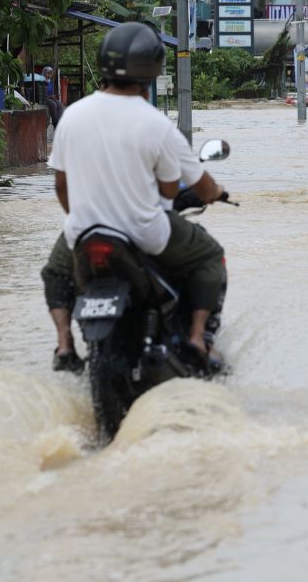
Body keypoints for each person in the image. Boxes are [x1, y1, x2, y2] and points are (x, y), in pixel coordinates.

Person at [40, 22, 227, 372]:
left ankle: (65, 345)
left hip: (84, 232)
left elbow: (62, 187)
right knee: (210, 257)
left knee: (55, 272)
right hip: (146, 234)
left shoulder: (72, 116)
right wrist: (215, 192)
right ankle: (198, 338)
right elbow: (173, 191)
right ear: (152, 70)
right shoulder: (157, 124)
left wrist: (79, 216)